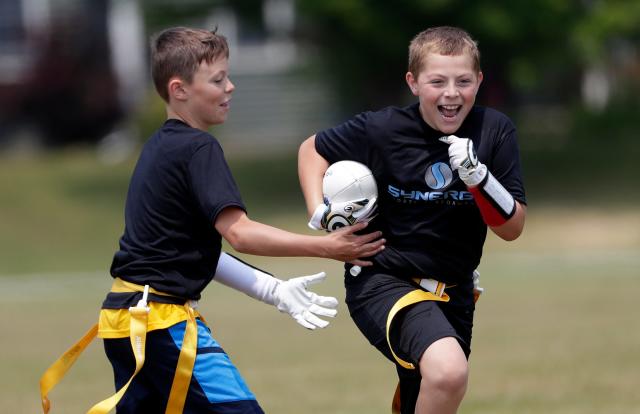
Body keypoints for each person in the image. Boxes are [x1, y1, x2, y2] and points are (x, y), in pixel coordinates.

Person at [39, 27, 385, 414]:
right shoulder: (198, 148)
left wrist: (274, 291)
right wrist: (328, 247)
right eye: (218, 79)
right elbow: (239, 233)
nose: (231, 87)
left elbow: (192, 251)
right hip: (158, 323)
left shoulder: (158, 148)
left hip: (124, 319)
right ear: (179, 89)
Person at [298, 26, 526, 414]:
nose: (451, 93)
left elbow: (512, 228)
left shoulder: (494, 131)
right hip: (382, 279)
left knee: (425, 392)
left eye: (463, 81)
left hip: (454, 293)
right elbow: (312, 150)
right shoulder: (383, 128)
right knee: (449, 371)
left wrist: (479, 179)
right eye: (437, 81)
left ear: (480, 81)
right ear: (413, 83)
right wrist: (319, 211)